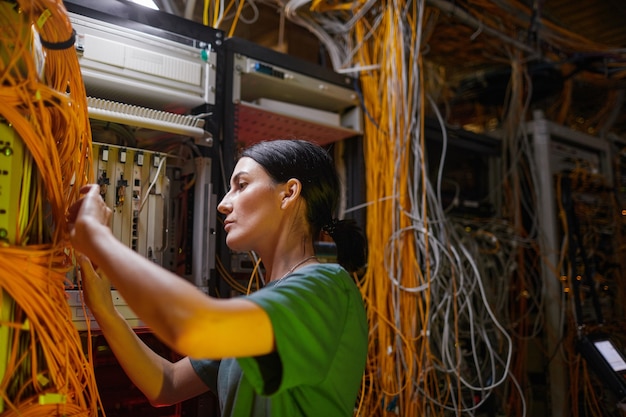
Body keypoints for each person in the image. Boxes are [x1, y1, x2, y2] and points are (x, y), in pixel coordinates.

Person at [67, 139, 369, 417]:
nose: (223, 204)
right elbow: (167, 385)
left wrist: (98, 239)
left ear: (288, 193)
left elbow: (196, 328)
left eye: (241, 185)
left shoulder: (326, 288)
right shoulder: (260, 310)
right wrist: (105, 310)